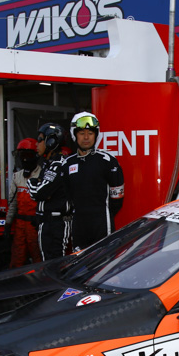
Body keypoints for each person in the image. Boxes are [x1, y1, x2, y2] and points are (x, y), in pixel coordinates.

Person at [62, 111, 125, 251]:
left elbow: (117, 198)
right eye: (81, 133)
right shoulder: (67, 164)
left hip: (102, 224)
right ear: (74, 134)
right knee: (79, 261)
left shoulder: (108, 161)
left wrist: (102, 213)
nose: (86, 137)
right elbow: (66, 195)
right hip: (79, 225)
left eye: (90, 133)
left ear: (96, 135)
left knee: (104, 261)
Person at [27, 122, 73, 260]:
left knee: (56, 264)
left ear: (51, 142)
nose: (36, 144)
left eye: (40, 140)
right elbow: (42, 192)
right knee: (47, 262)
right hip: (47, 222)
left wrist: (31, 181)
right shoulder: (49, 165)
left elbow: (38, 193)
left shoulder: (58, 165)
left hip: (56, 224)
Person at [5, 139, 43, 267]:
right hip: (20, 225)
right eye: (22, 156)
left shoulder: (43, 175)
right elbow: (13, 203)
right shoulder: (17, 176)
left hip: (36, 225)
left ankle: (41, 279)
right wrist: (8, 223)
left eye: (28, 155)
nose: (25, 159)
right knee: (17, 257)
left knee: (38, 258)